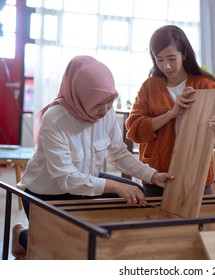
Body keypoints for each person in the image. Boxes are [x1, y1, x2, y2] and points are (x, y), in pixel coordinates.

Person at [11, 55, 173, 259]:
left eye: (109, 101)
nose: (105, 109)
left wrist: (152, 175)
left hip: (84, 186)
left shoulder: (106, 112)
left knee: (136, 194)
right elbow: (66, 179)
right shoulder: (56, 118)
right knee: (64, 250)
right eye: (98, 104)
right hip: (46, 193)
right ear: (80, 96)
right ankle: (21, 236)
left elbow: (119, 153)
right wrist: (114, 186)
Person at [125, 25, 215, 197]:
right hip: (156, 175)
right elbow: (134, 130)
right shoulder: (149, 87)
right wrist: (171, 113)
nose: (166, 66)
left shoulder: (205, 84)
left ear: (184, 54)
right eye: (159, 59)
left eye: (171, 58)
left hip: (197, 174)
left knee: (203, 222)